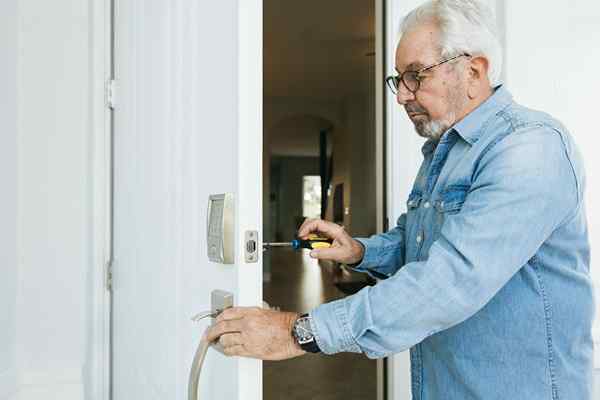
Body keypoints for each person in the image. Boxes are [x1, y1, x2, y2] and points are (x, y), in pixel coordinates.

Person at [207, 0, 595, 398]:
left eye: (415, 76)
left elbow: (449, 280)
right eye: (399, 79)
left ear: (474, 72)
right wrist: (358, 251)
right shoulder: (442, 152)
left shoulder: (530, 148)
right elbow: (418, 244)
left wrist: (296, 332)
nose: (401, 95)